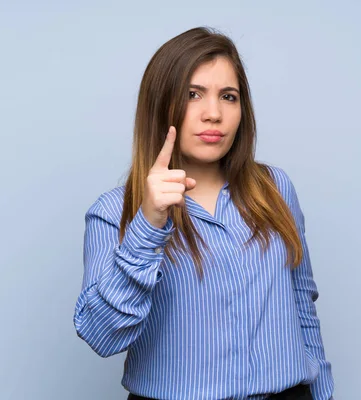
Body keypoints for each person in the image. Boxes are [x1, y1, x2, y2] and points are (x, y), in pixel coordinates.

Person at [73, 26, 335, 400]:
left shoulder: (275, 188)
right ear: (160, 104)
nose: (214, 114)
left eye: (228, 96)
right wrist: (148, 226)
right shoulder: (114, 212)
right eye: (193, 94)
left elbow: (301, 303)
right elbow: (102, 334)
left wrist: (323, 393)